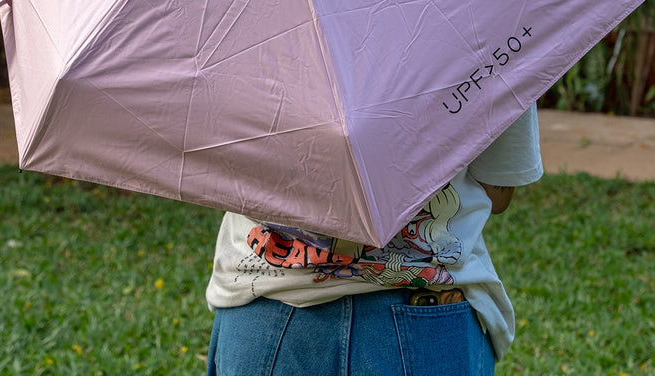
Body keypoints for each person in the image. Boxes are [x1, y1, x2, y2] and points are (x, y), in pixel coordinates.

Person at [206, 104, 542, 376]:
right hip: (427, 314)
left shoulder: (238, 27)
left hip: (266, 307)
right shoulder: (478, 22)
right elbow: (498, 188)